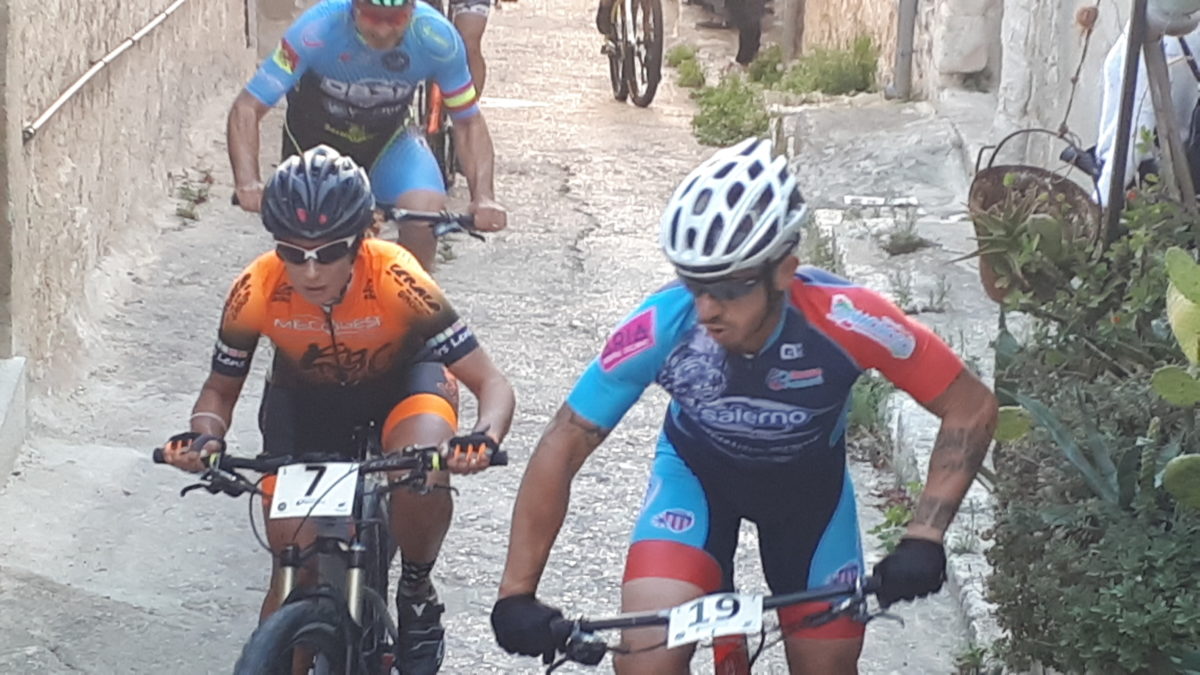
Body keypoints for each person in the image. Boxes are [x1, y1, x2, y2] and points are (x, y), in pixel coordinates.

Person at [489, 138, 998, 673]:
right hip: (695, 482)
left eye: (730, 288)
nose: (706, 309)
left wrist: (924, 535)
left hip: (808, 498)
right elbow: (565, 439)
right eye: (694, 284)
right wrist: (516, 592)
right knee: (644, 663)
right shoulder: (662, 324)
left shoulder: (848, 320)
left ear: (784, 272)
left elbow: (970, 407)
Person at [160, 146, 515, 674]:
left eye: (328, 253)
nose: (309, 270)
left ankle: (416, 589)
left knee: (420, 471)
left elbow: (491, 382)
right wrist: (204, 435)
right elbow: (218, 392)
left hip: (404, 384)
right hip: (307, 402)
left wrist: (482, 437)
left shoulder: (397, 276)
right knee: (293, 563)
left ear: (362, 239)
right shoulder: (256, 288)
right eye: (291, 251)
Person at [226, 0, 507, 270]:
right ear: (353, 7)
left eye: (396, 19)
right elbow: (248, 107)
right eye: (372, 17)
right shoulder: (316, 29)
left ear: (412, 9)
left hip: (389, 142)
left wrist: (483, 196)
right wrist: (248, 181)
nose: (383, 30)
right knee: (313, 239)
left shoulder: (437, 38)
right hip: (317, 145)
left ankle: (409, 295)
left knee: (425, 211)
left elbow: (468, 122)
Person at [1094, 19, 1200, 205]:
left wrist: (1100, 202)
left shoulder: (1163, 28)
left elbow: (1136, 129)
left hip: (1143, 180)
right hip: (1170, 170)